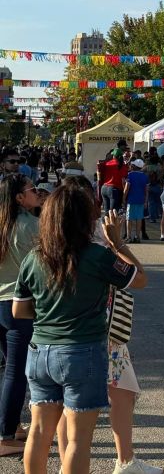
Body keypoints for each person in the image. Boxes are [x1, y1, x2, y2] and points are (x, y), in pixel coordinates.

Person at [12, 185, 147, 474]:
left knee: (38, 432)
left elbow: (19, 310)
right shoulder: (98, 256)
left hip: (39, 352)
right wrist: (118, 243)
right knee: (78, 439)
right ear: (85, 218)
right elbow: (139, 279)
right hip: (82, 351)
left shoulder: (33, 258)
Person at [0, 175, 41, 456]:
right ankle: (5, 436)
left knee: (8, 369)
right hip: (19, 304)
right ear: (19, 197)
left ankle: (12, 426)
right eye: (32, 189)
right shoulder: (29, 225)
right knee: (16, 372)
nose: (37, 193)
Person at [123, 159, 148, 244]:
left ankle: (129, 236)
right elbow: (146, 190)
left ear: (134, 166)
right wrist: (146, 201)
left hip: (131, 200)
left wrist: (123, 199)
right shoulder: (145, 176)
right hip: (141, 200)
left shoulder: (130, 175)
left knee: (129, 219)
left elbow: (126, 189)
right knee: (139, 219)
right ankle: (137, 236)